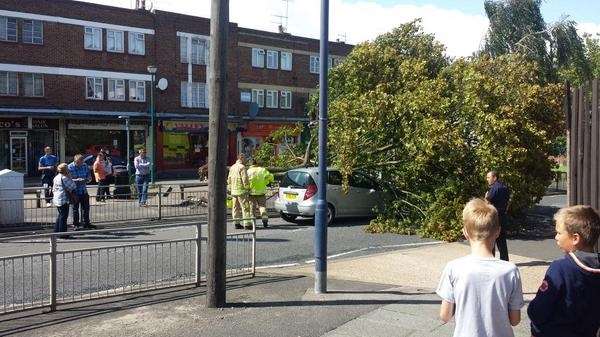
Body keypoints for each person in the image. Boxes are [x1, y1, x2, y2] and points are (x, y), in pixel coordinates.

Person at [437, 198, 524, 337]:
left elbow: (445, 315)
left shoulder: (453, 268)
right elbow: (515, 320)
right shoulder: (510, 271)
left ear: (465, 232)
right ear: (497, 232)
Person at [527, 205, 600, 337]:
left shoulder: (560, 268)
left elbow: (539, 310)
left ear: (575, 238)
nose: (556, 237)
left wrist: (532, 314)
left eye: (559, 233)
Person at [485, 170, 510, 261]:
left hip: (495, 217)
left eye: (488, 177)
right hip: (502, 216)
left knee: (491, 238)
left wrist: (486, 197)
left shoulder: (495, 188)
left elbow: (487, 201)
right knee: (502, 241)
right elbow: (508, 202)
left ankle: (491, 259)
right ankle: (505, 260)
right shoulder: (505, 187)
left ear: (494, 178)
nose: (487, 179)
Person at [68, 154, 95, 230]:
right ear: (75, 161)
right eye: (79, 163)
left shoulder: (85, 166)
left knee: (86, 208)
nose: (80, 165)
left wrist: (88, 179)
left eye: (81, 162)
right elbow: (67, 179)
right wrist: (77, 180)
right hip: (75, 191)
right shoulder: (70, 167)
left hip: (83, 190)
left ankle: (86, 223)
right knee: (75, 209)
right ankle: (75, 224)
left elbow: (89, 177)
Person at [227, 153, 253, 229]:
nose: (245, 160)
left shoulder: (232, 167)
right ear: (241, 158)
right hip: (241, 191)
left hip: (234, 191)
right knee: (245, 208)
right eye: (245, 159)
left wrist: (230, 188)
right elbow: (245, 179)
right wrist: (247, 188)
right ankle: (247, 224)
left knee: (235, 208)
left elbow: (229, 179)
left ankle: (236, 223)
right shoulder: (242, 167)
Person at [247, 159, 274, 228]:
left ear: (250, 164)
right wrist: (267, 181)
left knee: (252, 209)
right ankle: (264, 219)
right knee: (262, 207)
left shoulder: (248, 171)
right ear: (257, 163)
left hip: (251, 192)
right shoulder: (262, 170)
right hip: (261, 192)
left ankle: (253, 224)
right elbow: (271, 177)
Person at [52, 163, 76, 238]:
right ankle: (62, 234)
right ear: (66, 170)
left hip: (57, 198)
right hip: (63, 198)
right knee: (63, 216)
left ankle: (56, 231)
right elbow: (73, 186)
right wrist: (70, 177)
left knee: (60, 215)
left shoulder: (56, 177)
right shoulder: (64, 178)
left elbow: (54, 188)